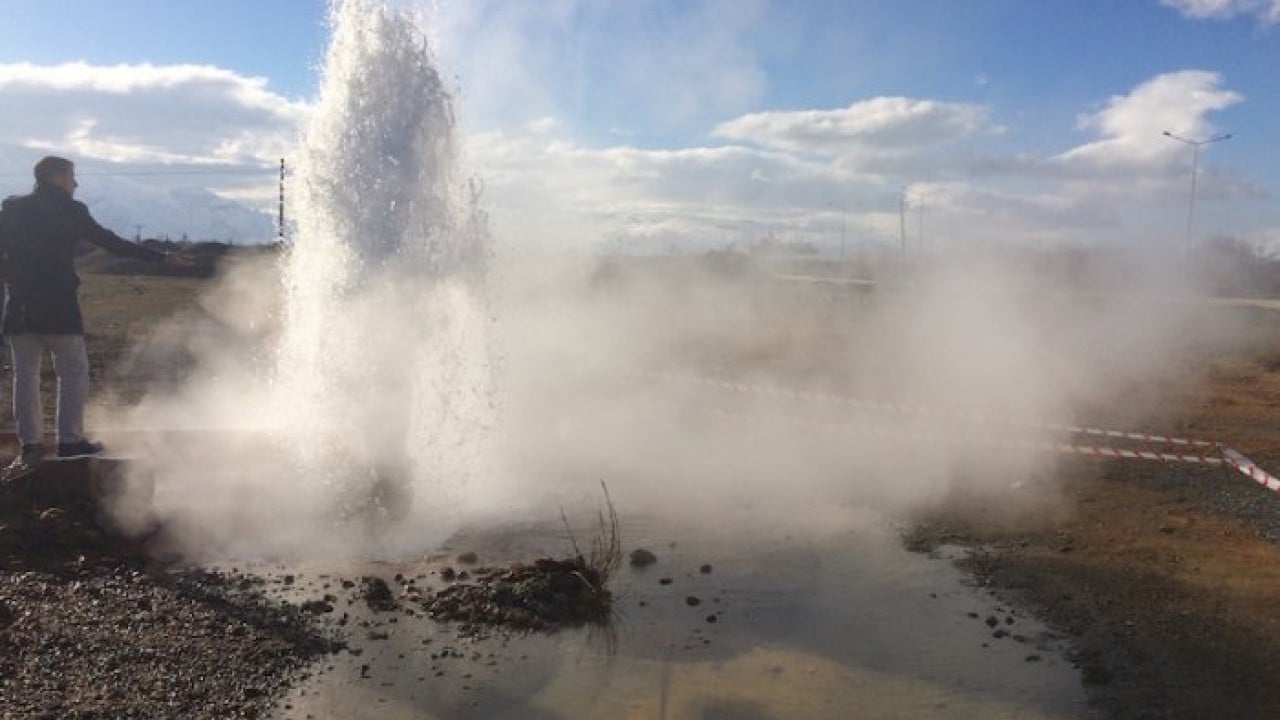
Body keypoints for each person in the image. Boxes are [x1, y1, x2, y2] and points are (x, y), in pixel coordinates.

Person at [0, 155, 190, 477]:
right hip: (58, 307)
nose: (76, 183)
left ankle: (30, 445)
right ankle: (70, 441)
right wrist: (160, 258)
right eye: (72, 176)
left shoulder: (12, 210)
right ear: (58, 177)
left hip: (18, 307)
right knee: (73, 372)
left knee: (25, 376)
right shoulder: (72, 211)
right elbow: (111, 243)